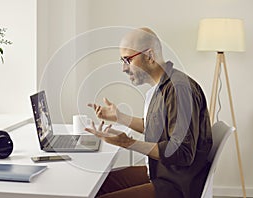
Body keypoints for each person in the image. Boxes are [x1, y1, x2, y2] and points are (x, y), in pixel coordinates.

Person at [85, 27, 213, 198]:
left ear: (150, 56)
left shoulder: (178, 89)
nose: (123, 68)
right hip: (160, 172)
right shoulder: (163, 86)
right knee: (96, 185)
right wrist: (120, 117)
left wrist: (127, 142)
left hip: (176, 185)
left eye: (127, 59)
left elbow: (182, 153)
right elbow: (158, 128)